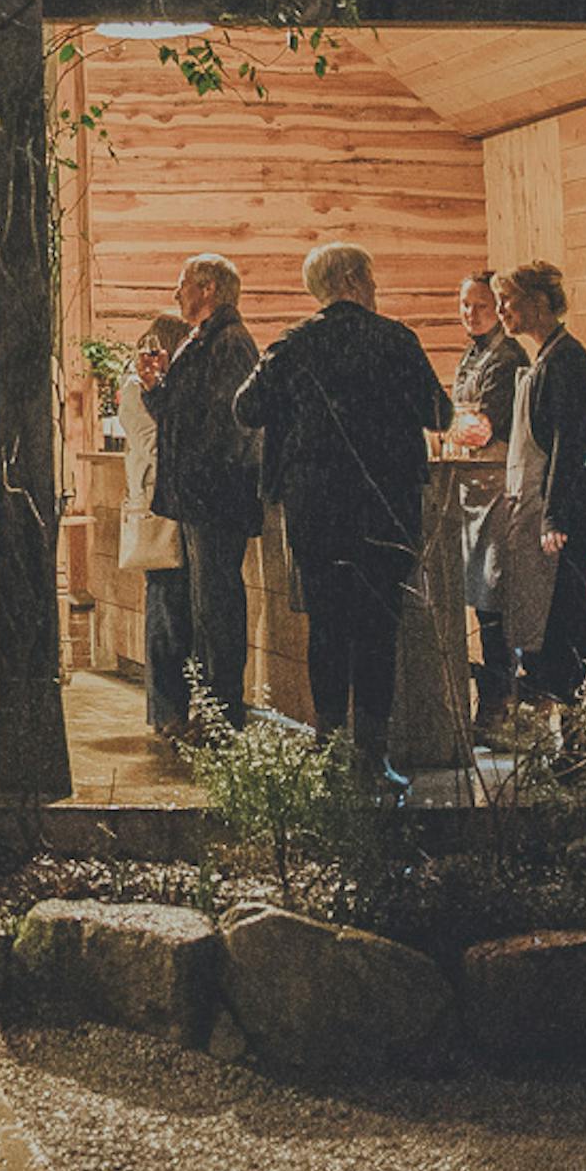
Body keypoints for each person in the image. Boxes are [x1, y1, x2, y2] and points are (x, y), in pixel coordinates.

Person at [233, 240, 450, 784]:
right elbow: (439, 412)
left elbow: (246, 407)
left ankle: (329, 750)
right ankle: (372, 758)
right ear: (354, 280)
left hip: (316, 507)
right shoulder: (396, 341)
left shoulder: (293, 345)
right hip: (385, 505)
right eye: (372, 278)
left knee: (327, 627)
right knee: (379, 627)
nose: (375, 289)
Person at [500, 259, 586, 779]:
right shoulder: (545, 360)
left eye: (508, 302)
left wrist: (552, 518)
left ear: (537, 302)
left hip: (564, 522)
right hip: (544, 516)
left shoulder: (567, 363)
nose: (501, 312)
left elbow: (568, 447)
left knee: (583, 639)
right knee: (562, 641)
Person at [134, 253, 261, 737]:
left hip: (215, 499)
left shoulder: (229, 343)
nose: (176, 294)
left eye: (182, 285)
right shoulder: (201, 340)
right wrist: (155, 387)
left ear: (208, 288)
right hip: (197, 497)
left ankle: (222, 715)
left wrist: (200, 474)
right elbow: (179, 413)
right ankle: (207, 713)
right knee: (201, 610)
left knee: (218, 610)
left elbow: (229, 424)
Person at [444, 269, 531, 740]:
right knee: (480, 603)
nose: (470, 314)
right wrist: (460, 421)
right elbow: (460, 420)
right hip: (471, 494)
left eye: (479, 305)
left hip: (498, 493)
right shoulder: (471, 357)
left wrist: (456, 422)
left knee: (497, 602)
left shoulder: (507, 358)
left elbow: (482, 428)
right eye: (464, 305)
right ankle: (493, 706)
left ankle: (504, 709)